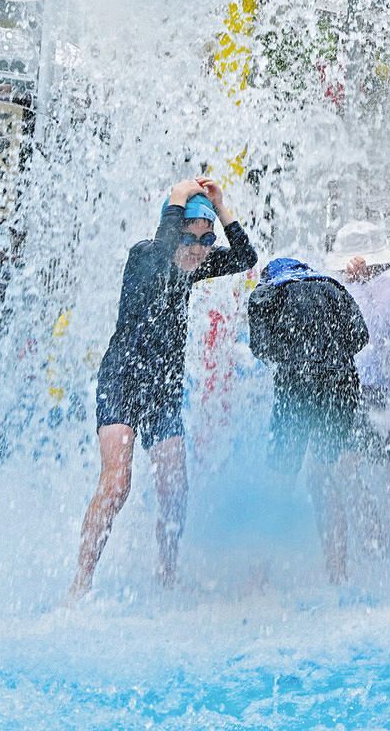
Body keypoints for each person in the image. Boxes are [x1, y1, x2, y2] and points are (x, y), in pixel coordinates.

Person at [69, 177, 257, 599]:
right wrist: (177, 197)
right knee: (118, 482)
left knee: (175, 486)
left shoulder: (197, 264)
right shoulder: (146, 255)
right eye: (188, 238)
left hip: (162, 388)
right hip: (121, 378)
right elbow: (162, 251)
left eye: (206, 240)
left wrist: (222, 209)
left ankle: (166, 572)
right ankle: (81, 582)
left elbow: (247, 256)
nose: (197, 248)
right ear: (171, 231)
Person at [248, 257, 368, 584]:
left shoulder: (266, 292)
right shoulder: (333, 287)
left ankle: (259, 580)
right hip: (342, 385)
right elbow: (360, 336)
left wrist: (297, 358)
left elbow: (261, 349)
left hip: (296, 386)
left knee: (279, 481)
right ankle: (337, 575)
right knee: (323, 476)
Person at [326, 220, 390, 462]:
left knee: (367, 461)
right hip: (343, 384)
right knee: (343, 461)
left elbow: (373, 331)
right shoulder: (342, 285)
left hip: (370, 387)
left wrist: (359, 285)